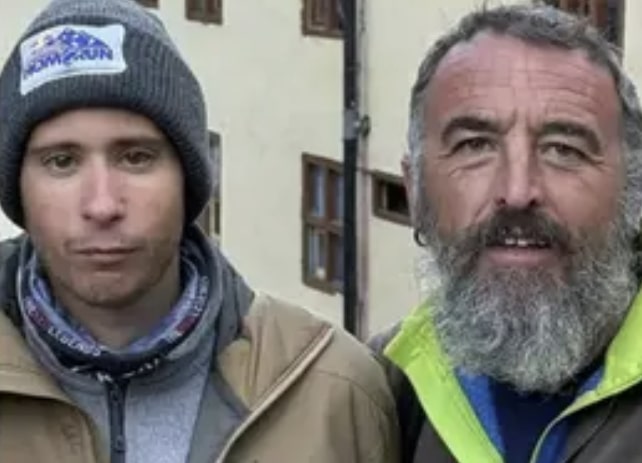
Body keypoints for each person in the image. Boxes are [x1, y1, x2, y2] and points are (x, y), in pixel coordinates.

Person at [0, 1, 399, 462]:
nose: (102, 204)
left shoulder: (334, 390)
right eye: (61, 162)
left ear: (188, 179)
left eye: (136, 157)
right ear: (18, 188)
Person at [370, 3, 642, 462]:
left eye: (564, 149)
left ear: (635, 191)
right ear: (415, 192)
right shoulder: (376, 394)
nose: (517, 192)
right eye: (475, 145)